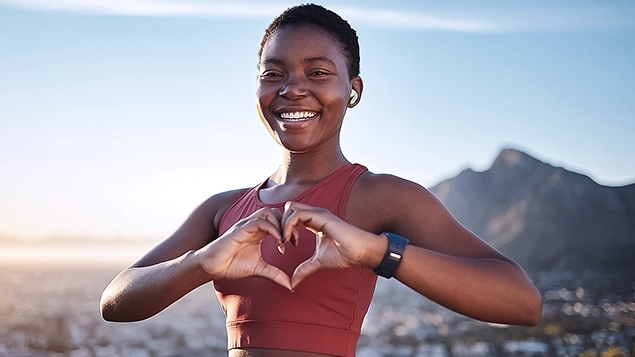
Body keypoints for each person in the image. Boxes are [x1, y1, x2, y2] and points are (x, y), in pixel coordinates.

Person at [100, 4, 542, 357]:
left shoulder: (383, 197)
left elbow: (522, 302)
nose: (292, 88)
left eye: (318, 72)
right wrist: (201, 264)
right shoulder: (223, 210)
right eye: (273, 74)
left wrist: (374, 251)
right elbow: (116, 301)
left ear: (354, 90)